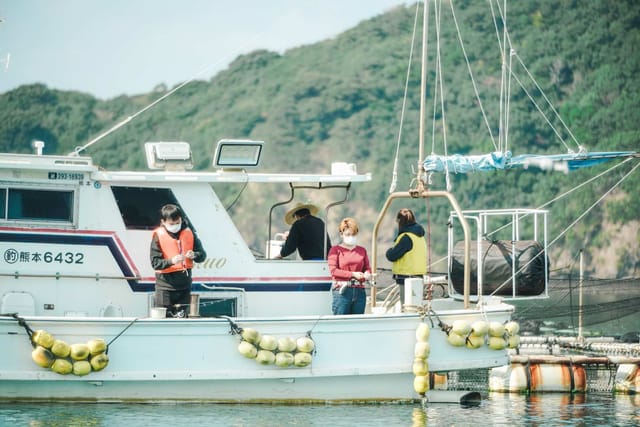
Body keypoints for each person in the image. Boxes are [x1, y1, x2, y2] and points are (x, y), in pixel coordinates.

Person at [150, 204, 206, 317]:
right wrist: (171, 261)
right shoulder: (158, 236)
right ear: (163, 222)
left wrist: (195, 254)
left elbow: (202, 255)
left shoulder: (189, 233)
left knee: (182, 320)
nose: (175, 226)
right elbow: (155, 263)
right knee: (164, 321)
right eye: (171, 223)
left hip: (184, 286)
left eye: (178, 222)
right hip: (164, 288)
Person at [327, 217, 371, 315]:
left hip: (360, 292)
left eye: (353, 234)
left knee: (358, 324)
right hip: (341, 292)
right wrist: (353, 274)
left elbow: (367, 268)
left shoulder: (362, 250)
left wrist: (367, 273)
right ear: (341, 234)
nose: (351, 237)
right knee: (340, 323)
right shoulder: (335, 250)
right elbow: (333, 271)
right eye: (348, 234)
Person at [385, 208, 427, 303]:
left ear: (400, 221)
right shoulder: (419, 236)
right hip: (418, 277)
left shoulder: (406, 238)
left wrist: (389, 251)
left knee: (407, 307)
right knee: (416, 306)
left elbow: (392, 255)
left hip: (407, 278)